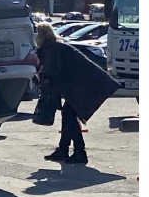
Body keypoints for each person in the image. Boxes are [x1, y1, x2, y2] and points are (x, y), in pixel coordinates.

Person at [33, 22, 121, 165]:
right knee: (68, 115)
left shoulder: (52, 48)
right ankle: (63, 150)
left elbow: (51, 74)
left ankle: (80, 152)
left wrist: (39, 82)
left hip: (86, 84)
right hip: (83, 83)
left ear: (41, 35)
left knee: (69, 115)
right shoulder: (54, 46)